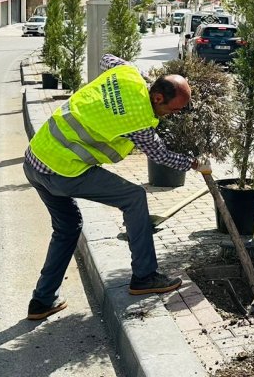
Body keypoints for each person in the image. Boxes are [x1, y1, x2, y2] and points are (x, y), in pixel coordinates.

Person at [23, 53, 207, 321]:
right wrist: (194, 164)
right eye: (175, 109)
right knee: (134, 197)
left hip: (35, 159)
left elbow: (105, 58)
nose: (174, 115)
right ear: (157, 98)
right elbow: (161, 156)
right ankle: (144, 276)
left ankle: (42, 301)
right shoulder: (139, 120)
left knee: (68, 226)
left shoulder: (128, 73)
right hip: (62, 171)